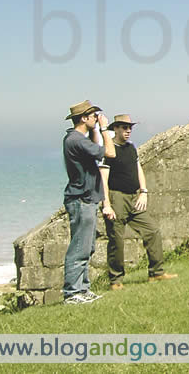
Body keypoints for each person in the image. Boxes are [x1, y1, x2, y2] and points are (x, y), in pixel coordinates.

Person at [100, 114, 177, 288]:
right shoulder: (109, 150)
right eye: (125, 128)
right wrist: (106, 204)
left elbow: (138, 168)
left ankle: (156, 272)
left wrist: (144, 191)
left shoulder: (131, 148)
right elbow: (102, 179)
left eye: (130, 128)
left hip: (134, 198)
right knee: (117, 241)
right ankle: (116, 281)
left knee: (152, 231)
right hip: (116, 198)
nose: (128, 131)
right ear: (116, 129)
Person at [62, 99, 116, 305]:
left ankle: (82, 289)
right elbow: (109, 153)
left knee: (87, 247)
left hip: (86, 198)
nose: (96, 117)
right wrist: (104, 128)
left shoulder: (77, 139)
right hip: (81, 199)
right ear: (84, 118)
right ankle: (72, 293)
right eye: (93, 115)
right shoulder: (76, 140)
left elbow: (94, 148)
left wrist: (95, 129)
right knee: (79, 247)